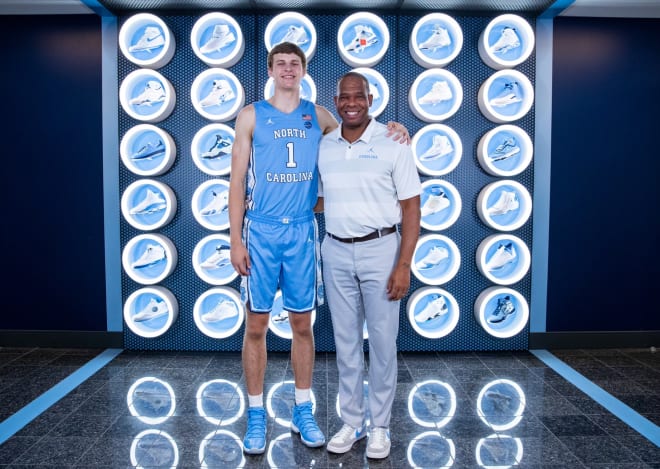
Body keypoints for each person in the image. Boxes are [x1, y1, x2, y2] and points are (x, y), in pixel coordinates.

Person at [228, 42, 410, 455]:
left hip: (302, 233)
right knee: (255, 325)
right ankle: (255, 414)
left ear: (303, 70)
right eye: (281, 64)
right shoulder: (252, 115)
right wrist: (235, 238)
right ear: (270, 70)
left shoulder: (320, 115)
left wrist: (395, 129)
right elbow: (236, 181)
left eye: (295, 64)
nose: (288, 70)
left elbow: (359, 136)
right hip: (261, 230)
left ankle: (302, 409)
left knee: (301, 326)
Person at [316, 71, 421, 459]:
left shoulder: (394, 142)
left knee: (381, 343)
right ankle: (352, 422)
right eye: (344, 97)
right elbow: (321, 200)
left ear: (371, 98)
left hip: (382, 249)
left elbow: (411, 207)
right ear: (337, 100)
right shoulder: (325, 145)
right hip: (336, 250)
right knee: (344, 343)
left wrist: (404, 264)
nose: (351, 103)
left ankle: (380, 427)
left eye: (358, 96)